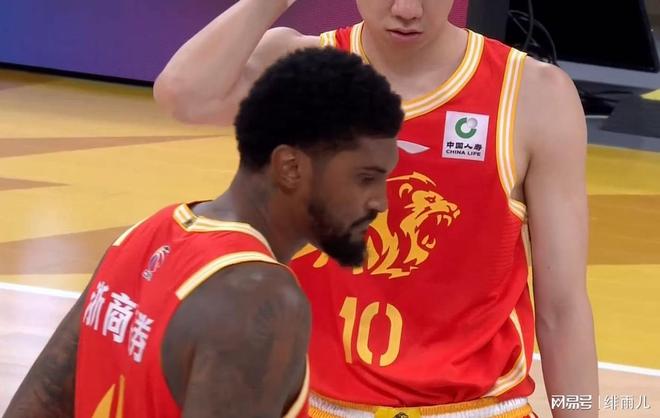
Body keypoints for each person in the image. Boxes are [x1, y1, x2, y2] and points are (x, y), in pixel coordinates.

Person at [152, 1, 598, 416]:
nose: (406, 9)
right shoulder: (299, 69)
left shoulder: (533, 95)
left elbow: (562, 310)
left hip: (476, 407)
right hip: (316, 404)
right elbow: (183, 96)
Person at [3, 47, 403, 418]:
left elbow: (39, 401)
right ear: (290, 168)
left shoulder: (144, 234)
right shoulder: (261, 299)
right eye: (365, 178)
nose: (380, 202)